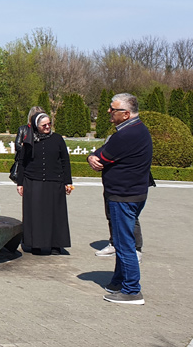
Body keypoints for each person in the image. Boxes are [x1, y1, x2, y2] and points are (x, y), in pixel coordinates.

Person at [87, 93, 154, 305]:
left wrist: (93, 157)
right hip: (132, 193)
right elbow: (102, 151)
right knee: (121, 240)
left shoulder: (127, 135)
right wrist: (92, 156)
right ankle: (119, 281)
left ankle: (132, 290)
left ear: (125, 114)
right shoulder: (134, 129)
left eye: (113, 109)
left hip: (124, 195)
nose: (109, 111)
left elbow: (103, 156)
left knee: (124, 244)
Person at [16, 112, 73, 254]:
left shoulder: (58, 139)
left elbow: (65, 161)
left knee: (55, 214)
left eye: (49, 124)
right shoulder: (29, 140)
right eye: (44, 125)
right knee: (35, 214)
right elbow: (22, 162)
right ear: (36, 126)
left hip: (54, 181)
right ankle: (35, 244)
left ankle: (55, 244)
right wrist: (20, 183)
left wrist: (68, 181)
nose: (47, 127)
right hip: (33, 181)